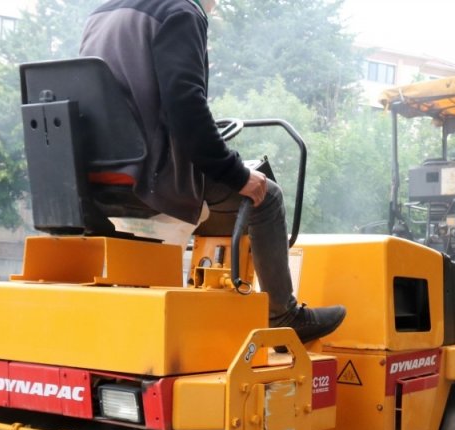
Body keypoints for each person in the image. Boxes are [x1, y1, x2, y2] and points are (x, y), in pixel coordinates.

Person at [80, 0, 344, 343]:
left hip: (93, 178)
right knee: (266, 195)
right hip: (149, 175)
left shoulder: (102, 13)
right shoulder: (181, 12)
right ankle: (284, 315)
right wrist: (236, 174)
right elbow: (186, 105)